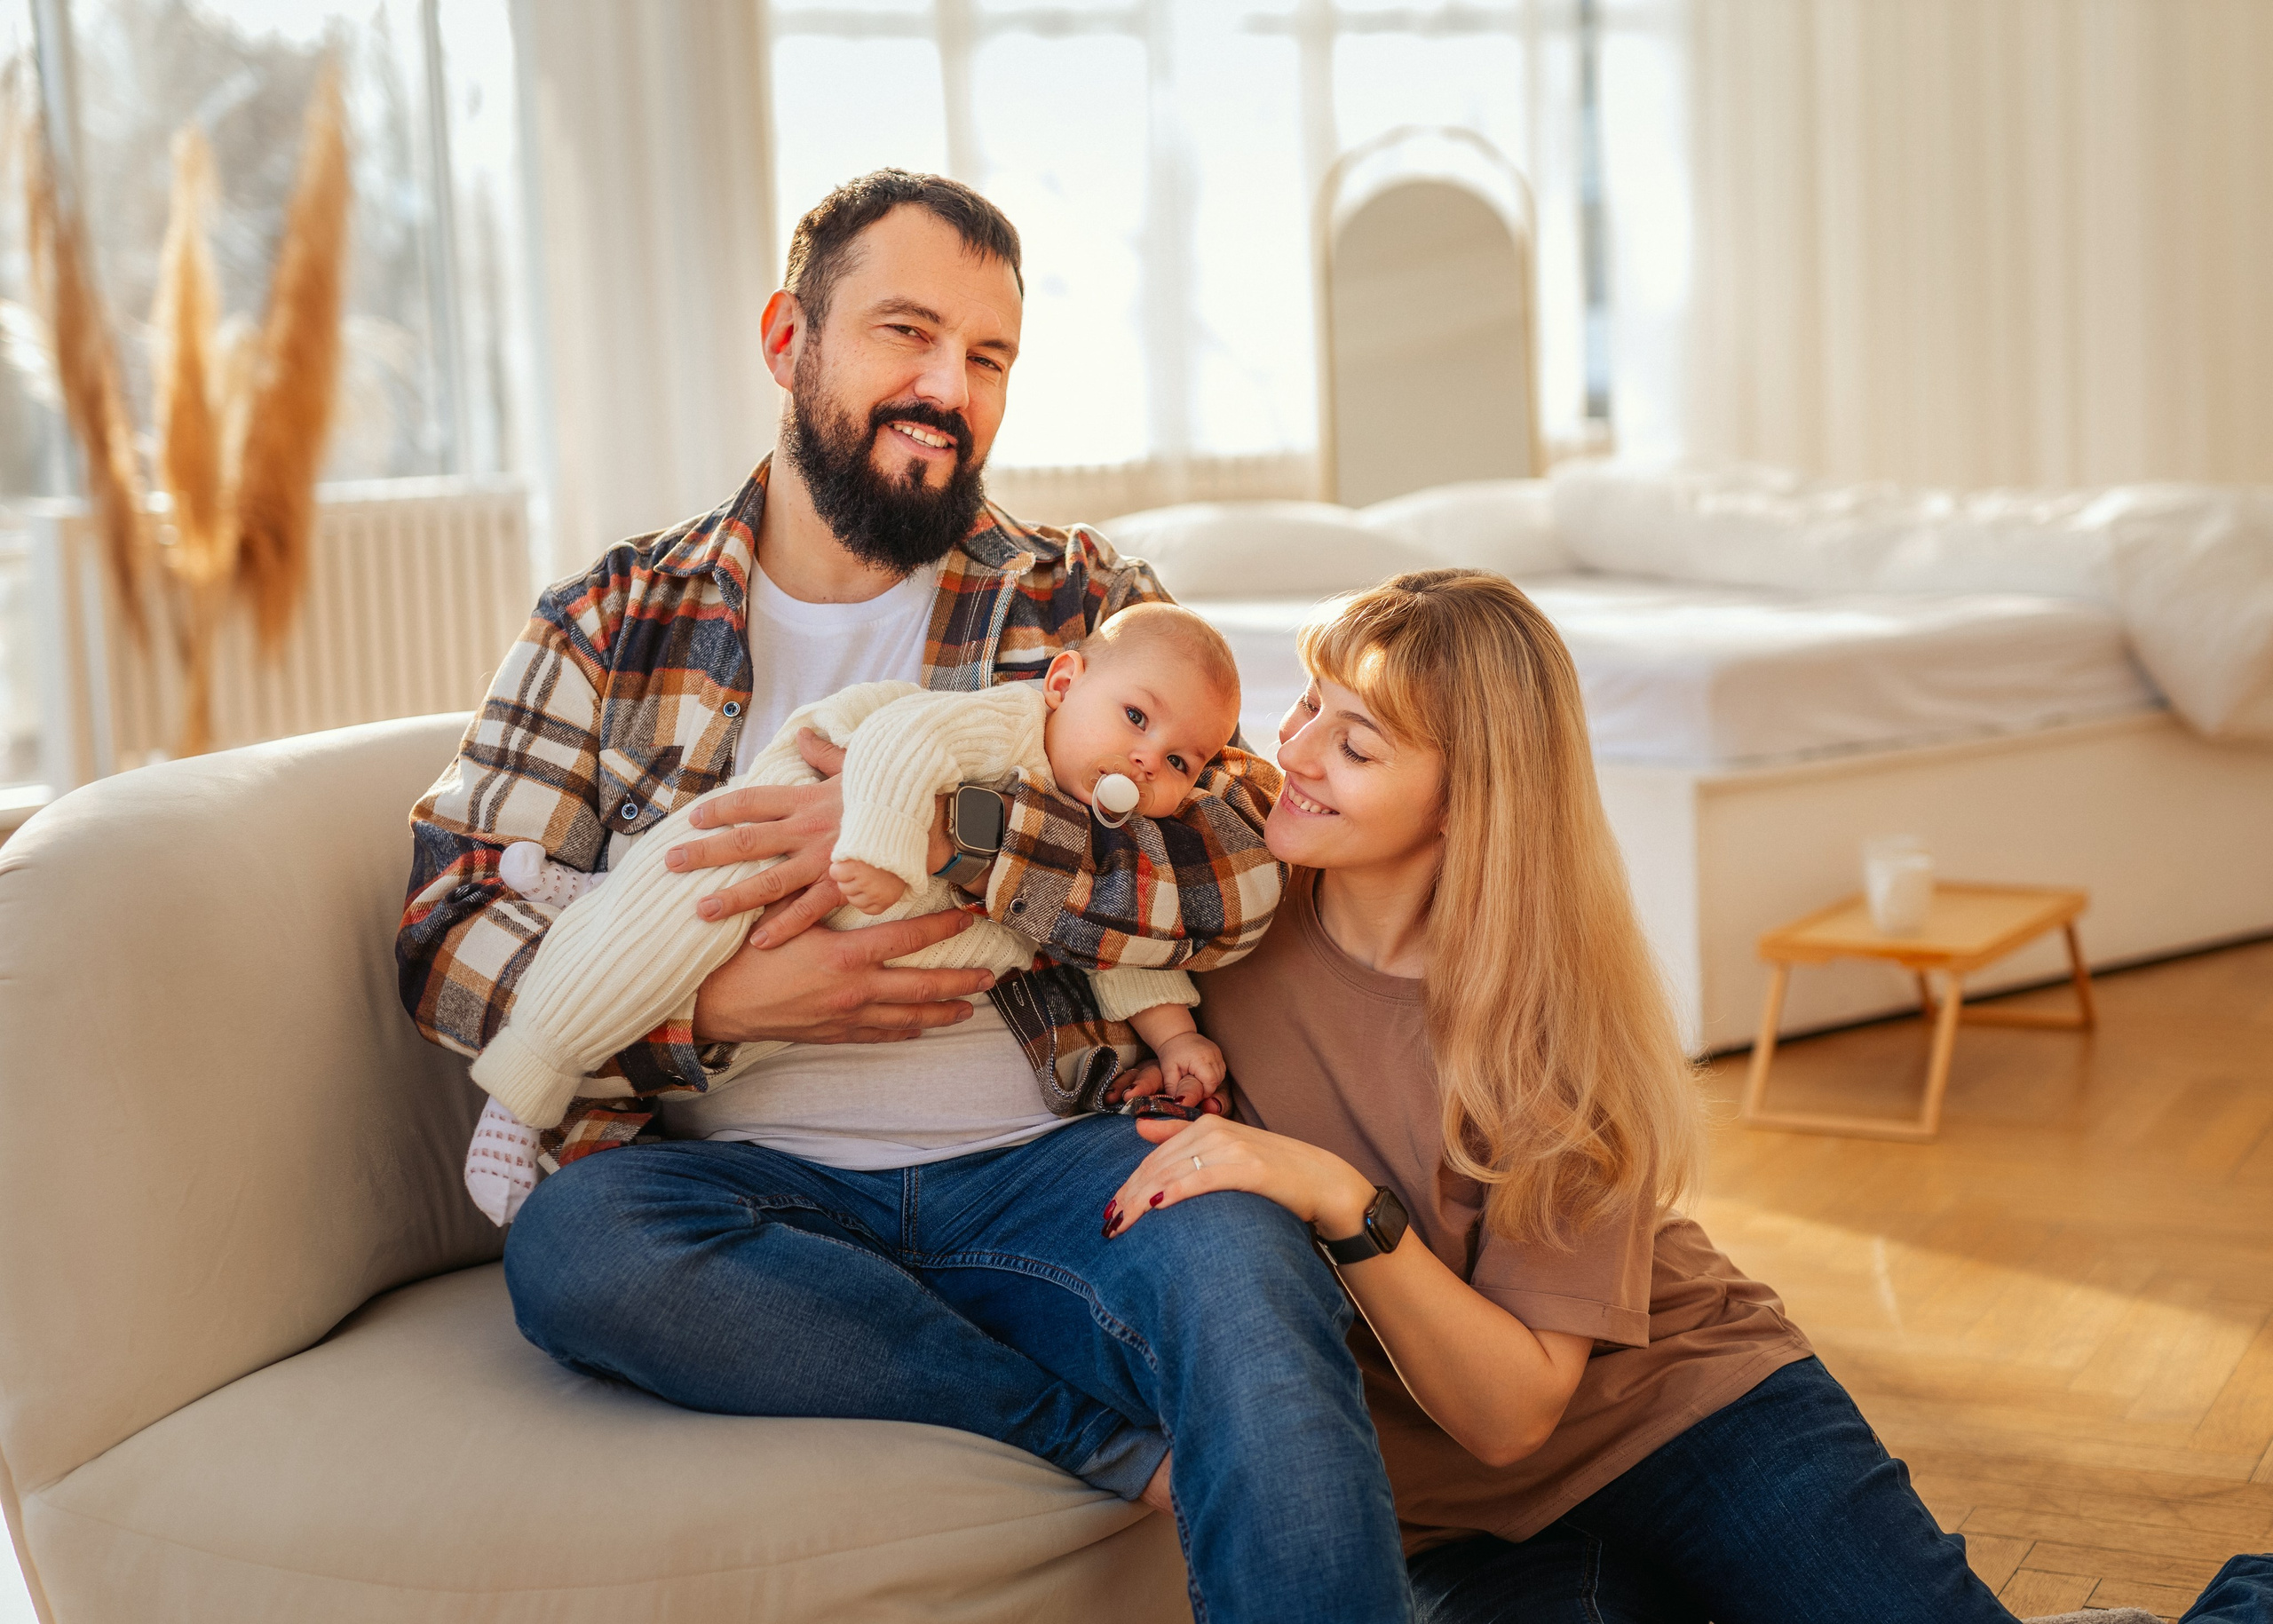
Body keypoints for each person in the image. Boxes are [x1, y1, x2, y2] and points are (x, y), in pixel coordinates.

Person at [396, 169, 1409, 1623]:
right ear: (785, 336)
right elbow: (450, 923)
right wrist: (713, 1005)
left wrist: (943, 828)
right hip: (755, 1198)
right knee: (579, 1246)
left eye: (988, 356)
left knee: (1247, 1261)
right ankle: (1083, 1427)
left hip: (1059, 1169)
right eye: (906, 333)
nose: (950, 386)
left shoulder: (1083, 600)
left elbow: (1241, 856)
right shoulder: (614, 620)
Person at [1103, 569, 2273, 1624]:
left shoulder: (1550, 1018)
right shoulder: (1210, 909)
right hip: (1453, 1516)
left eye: (1357, 746)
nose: (1295, 753)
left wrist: (1333, 1190)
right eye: (1308, 701)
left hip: (1692, 1414)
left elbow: (1515, 1412)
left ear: (1465, 801)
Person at [456, 602, 1240, 1224]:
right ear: (1065, 681)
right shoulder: (1014, 723)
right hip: (785, 877)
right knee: (683, 925)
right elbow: (903, 738)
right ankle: (522, 1091)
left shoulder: (1094, 589)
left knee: (1238, 1222)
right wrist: (884, 840)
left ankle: (607, 901)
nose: (1148, 759)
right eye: (1137, 719)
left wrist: (1175, 1036)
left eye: (1180, 761)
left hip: (1030, 1163)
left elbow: (1135, 940)